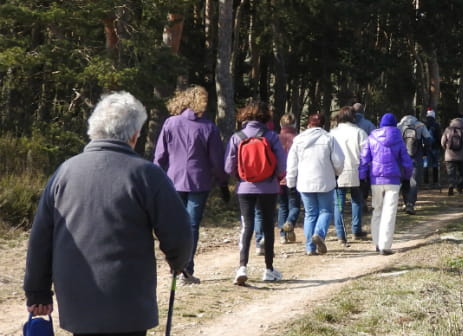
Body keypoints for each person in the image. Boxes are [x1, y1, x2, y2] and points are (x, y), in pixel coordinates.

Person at [24, 92, 193, 336]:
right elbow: (178, 232)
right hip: (129, 302)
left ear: (93, 129)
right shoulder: (147, 174)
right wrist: (178, 262)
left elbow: (41, 237)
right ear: (134, 135)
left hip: (77, 301)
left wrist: (37, 291)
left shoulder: (63, 173)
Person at [152, 85, 226, 285]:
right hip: (199, 182)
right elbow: (217, 160)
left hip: (173, 180)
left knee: (174, 224)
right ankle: (186, 267)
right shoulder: (208, 127)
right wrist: (222, 181)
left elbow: (159, 156)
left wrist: (153, 179)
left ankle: (174, 265)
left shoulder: (170, 123)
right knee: (192, 225)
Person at [225, 100, 287, 285]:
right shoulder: (271, 136)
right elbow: (282, 165)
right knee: (268, 226)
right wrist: (274, 176)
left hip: (245, 186)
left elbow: (228, 166)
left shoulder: (237, 137)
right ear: (265, 116)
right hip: (268, 187)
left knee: (247, 225)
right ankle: (268, 269)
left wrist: (241, 176)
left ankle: (242, 267)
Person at [287, 112, 345, 256]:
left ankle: (309, 248)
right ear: (323, 125)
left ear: (308, 124)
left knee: (310, 214)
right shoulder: (329, 138)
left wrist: (291, 181)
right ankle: (318, 234)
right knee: (325, 211)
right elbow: (339, 160)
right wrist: (337, 173)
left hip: (304, 182)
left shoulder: (298, 139)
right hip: (325, 180)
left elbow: (292, 163)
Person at [359, 113, 414, 255]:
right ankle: (385, 245)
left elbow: (364, 158)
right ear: (395, 124)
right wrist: (407, 176)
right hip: (394, 180)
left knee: (377, 210)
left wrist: (362, 176)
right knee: (389, 212)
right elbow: (406, 161)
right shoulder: (398, 138)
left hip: (375, 179)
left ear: (381, 124)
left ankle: (377, 243)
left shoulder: (371, 137)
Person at [330, 107, 369, 242]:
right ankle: (356, 230)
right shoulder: (359, 132)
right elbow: (365, 153)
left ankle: (341, 234)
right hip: (355, 170)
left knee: (338, 203)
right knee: (356, 200)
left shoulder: (332, 133)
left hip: (337, 171)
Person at [398, 114, 431, 215]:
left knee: (404, 180)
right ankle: (410, 204)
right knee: (414, 181)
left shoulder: (399, 126)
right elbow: (428, 140)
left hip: (401, 157)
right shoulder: (420, 125)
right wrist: (425, 152)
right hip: (416, 156)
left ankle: (405, 202)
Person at [277, 113, 302, 243]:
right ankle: (290, 222)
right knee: (295, 206)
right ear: (295, 124)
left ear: (281, 124)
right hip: (295, 177)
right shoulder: (298, 139)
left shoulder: (276, 138)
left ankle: (282, 235)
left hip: (279, 178)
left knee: (282, 206)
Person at [441, 116, 463, 195]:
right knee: (461, 172)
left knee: (451, 172)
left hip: (449, 155)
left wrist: (446, 149)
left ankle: (451, 184)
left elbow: (442, 142)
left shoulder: (447, 130)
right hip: (462, 156)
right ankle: (460, 189)